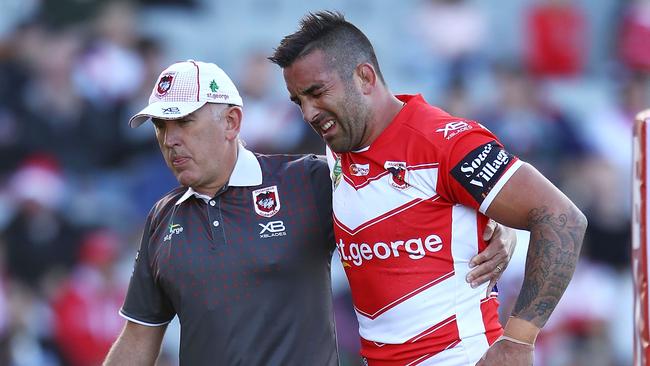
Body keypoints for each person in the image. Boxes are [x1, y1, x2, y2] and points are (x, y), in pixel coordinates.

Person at [103, 60, 515, 365]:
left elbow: (413, 202)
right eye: (160, 127)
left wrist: (492, 220)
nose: (169, 140)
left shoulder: (308, 182)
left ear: (231, 122)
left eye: (183, 123)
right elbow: (140, 335)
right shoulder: (163, 218)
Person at [270, 11, 587, 366]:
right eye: (299, 101)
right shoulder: (337, 151)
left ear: (364, 77)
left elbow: (563, 218)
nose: (309, 113)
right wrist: (495, 224)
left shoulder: (445, 142)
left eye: (317, 93)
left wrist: (518, 341)